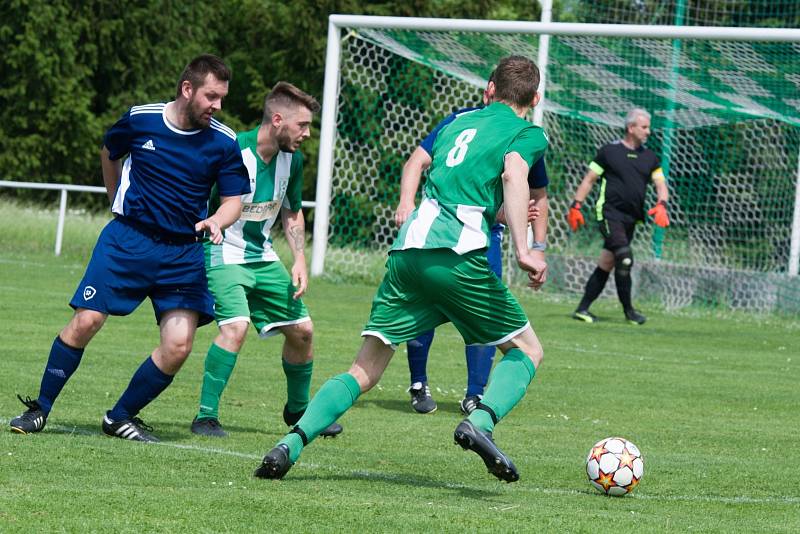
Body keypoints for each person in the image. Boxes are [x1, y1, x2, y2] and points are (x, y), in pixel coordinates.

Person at [255, 55, 549, 483]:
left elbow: (453, 184)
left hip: (407, 251)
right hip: (455, 256)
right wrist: (526, 248)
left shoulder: (456, 125)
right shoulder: (527, 133)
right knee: (527, 351)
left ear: (490, 89)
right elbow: (515, 175)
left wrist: (500, 215)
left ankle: (289, 445)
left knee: (364, 370)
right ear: (535, 98)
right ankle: (479, 423)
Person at [9, 54, 250, 442]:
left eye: (222, 97)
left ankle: (120, 417)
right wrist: (114, 199)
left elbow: (234, 200)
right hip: (128, 241)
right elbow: (110, 150)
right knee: (87, 320)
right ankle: (40, 408)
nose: (217, 106)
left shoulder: (224, 141)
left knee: (178, 346)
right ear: (187, 90)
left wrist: (216, 221)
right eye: (211, 96)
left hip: (183, 253)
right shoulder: (142, 119)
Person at [189, 82, 341, 439]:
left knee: (303, 331)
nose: (306, 134)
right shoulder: (230, 149)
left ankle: (300, 412)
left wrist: (300, 259)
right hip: (222, 251)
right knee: (235, 328)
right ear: (276, 120)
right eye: (302, 125)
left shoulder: (294, 158)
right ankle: (205, 416)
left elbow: (291, 213)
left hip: (263, 256)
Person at [394, 74, 550, 416]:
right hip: (446, 232)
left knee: (484, 318)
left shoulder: (521, 137)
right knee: (426, 313)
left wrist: (537, 241)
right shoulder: (459, 122)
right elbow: (417, 162)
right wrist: (406, 201)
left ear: (492, 90)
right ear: (534, 99)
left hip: (480, 237)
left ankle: (474, 394)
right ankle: (420, 384)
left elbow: (535, 194)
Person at [567, 108, 669, 325]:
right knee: (625, 257)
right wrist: (576, 205)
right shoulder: (609, 152)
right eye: (644, 127)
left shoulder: (650, 157)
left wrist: (662, 205)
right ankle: (629, 312)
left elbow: (661, 184)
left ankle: (582, 309)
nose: (648, 132)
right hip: (608, 214)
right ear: (630, 128)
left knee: (607, 261)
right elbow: (589, 179)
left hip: (631, 219)